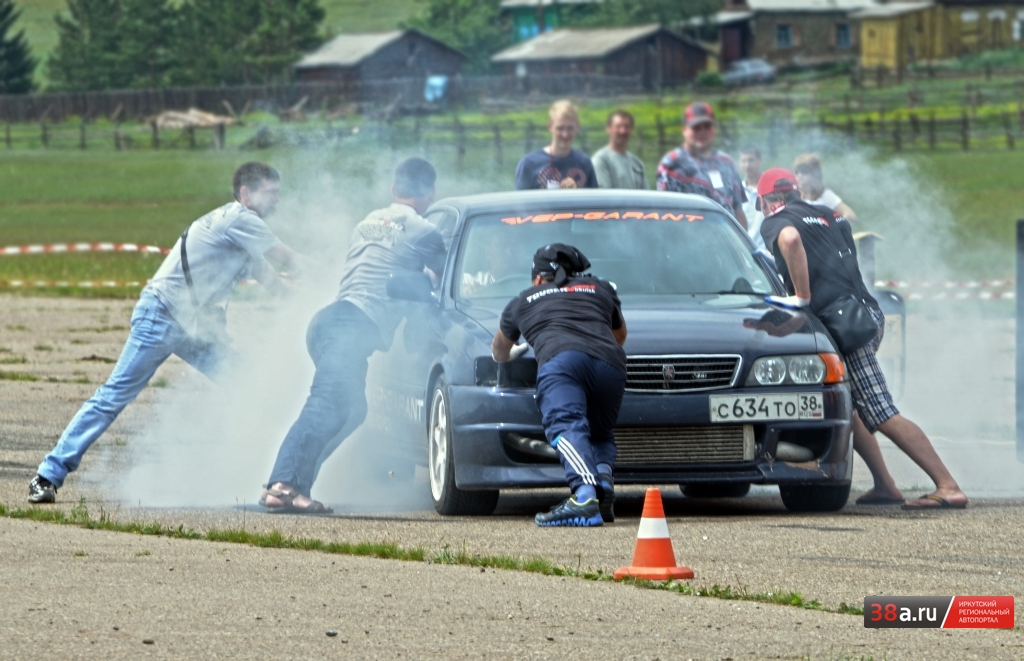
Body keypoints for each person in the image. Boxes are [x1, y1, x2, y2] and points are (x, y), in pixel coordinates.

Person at [28, 162, 308, 504]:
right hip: (160, 317)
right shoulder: (240, 219)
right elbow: (291, 260)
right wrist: (337, 269)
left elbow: (280, 290)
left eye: (278, 193)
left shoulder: (246, 236)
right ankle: (47, 475)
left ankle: (282, 476)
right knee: (113, 396)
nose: (277, 199)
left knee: (249, 386)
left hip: (193, 329)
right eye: (270, 192)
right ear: (246, 193)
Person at [756, 167, 968, 510]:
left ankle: (948, 485)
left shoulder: (776, 220)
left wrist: (801, 296)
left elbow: (791, 240)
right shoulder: (830, 215)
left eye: (760, 204)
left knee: (881, 411)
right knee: (850, 406)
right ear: (795, 191)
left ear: (766, 200)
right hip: (866, 312)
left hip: (846, 325)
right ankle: (885, 485)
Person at [262, 157, 447, 514]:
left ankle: (295, 483)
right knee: (327, 403)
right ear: (431, 193)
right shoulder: (423, 229)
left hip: (330, 321)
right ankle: (282, 484)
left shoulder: (367, 221)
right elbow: (442, 279)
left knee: (352, 409)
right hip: (351, 326)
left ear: (393, 189)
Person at [492, 244, 627, 527]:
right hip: (610, 365)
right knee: (599, 432)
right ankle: (603, 483)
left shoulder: (523, 300)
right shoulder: (600, 288)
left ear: (538, 278)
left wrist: (514, 353)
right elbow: (620, 335)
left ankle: (585, 496)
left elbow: (499, 350)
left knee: (566, 425)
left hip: (562, 363)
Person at [656, 101, 748, 229]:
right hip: (692, 239)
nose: (702, 132)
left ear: (714, 129)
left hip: (726, 239)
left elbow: (738, 210)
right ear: (684, 130)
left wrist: (743, 241)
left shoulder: (727, 163)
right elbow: (666, 214)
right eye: (696, 127)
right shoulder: (672, 164)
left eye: (707, 126)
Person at [515, 100, 598, 190]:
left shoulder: (585, 163)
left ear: (577, 126)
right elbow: (521, 198)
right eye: (560, 128)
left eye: (570, 128)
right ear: (550, 126)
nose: (565, 134)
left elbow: (594, 197)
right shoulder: (529, 164)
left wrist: (575, 191)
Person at [591, 109, 647, 190]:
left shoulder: (637, 164)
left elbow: (646, 194)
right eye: (618, 126)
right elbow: (605, 195)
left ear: (631, 130)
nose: (623, 131)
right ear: (608, 128)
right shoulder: (600, 160)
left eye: (627, 127)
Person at [793, 153, 858, 222]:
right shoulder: (792, 194)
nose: (799, 175)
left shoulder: (825, 195)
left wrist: (833, 225)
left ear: (815, 173)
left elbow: (850, 215)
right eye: (797, 172)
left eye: (804, 171)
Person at [738, 145, 766, 250]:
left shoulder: (769, 188)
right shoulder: (737, 190)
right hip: (743, 250)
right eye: (743, 161)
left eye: (751, 160)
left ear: (760, 161)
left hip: (766, 250)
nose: (747, 165)